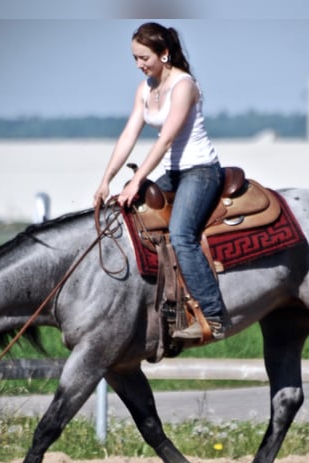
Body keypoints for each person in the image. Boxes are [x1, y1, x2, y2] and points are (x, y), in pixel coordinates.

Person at [93, 22, 226, 341]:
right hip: (174, 173)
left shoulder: (184, 85)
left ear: (164, 54)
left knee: (181, 235)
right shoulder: (145, 90)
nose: (139, 65)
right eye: (135, 59)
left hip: (201, 171)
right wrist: (106, 180)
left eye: (144, 58)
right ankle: (171, 312)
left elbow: (166, 140)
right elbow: (129, 135)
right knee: (137, 225)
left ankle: (214, 317)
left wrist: (136, 181)